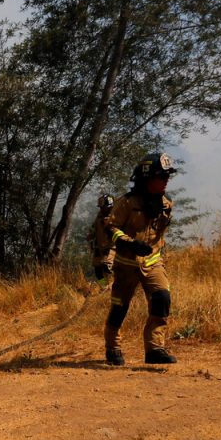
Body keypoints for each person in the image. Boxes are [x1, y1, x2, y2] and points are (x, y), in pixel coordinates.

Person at [103, 153, 178, 366]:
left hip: (153, 263)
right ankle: (113, 347)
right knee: (119, 308)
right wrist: (130, 243)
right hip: (126, 265)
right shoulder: (127, 203)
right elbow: (110, 228)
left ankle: (154, 349)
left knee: (161, 299)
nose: (166, 180)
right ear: (147, 178)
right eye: (161, 176)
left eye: (167, 176)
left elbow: (159, 234)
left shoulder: (166, 204)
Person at [87, 193, 116, 289]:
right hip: (99, 247)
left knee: (107, 266)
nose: (101, 209)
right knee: (98, 270)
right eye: (100, 207)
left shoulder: (116, 217)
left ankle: (115, 285)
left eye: (103, 207)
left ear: (110, 206)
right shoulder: (99, 216)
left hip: (111, 247)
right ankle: (104, 287)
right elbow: (95, 228)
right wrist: (91, 235)